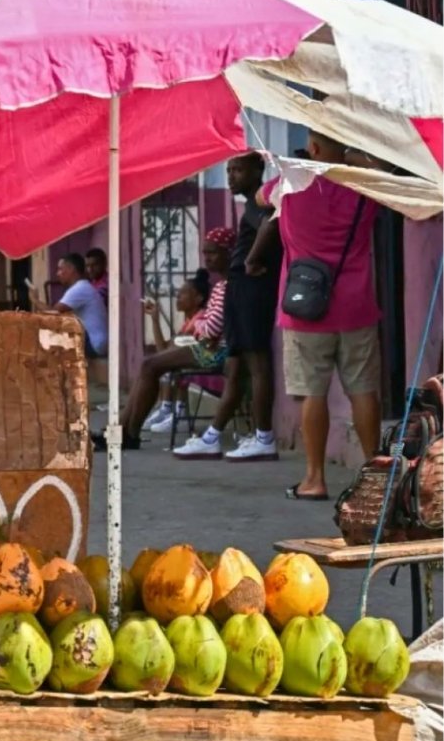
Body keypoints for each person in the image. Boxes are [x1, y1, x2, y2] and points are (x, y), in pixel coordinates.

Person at [246, 131, 382, 500]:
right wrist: (353, 158)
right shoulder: (362, 187)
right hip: (356, 306)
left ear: (316, 149)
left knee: (312, 394)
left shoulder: (292, 183)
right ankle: (374, 476)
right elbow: (385, 172)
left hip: (305, 310)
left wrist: (300, 167)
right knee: (363, 390)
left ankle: (314, 478)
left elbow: (259, 198)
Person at [174, 152, 283, 462]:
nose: (231, 176)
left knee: (257, 365)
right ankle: (212, 437)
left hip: (253, 290)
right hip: (239, 289)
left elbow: (271, 226)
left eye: (238, 169)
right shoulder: (250, 204)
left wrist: (251, 259)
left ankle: (264, 437)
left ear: (257, 170)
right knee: (234, 367)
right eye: (229, 170)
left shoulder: (261, 203)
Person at [93, 227, 235, 451]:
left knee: (151, 365)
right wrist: (202, 326)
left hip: (217, 351)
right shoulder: (220, 286)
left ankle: (127, 433)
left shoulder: (229, 285)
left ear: (229, 252)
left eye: (213, 252)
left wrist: (199, 325)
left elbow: (211, 328)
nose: (207, 258)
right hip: (208, 346)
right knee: (148, 365)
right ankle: (122, 430)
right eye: (205, 252)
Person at [140, 269, 213, 433]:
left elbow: (165, 353)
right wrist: (155, 318)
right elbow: (163, 351)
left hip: (207, 366)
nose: (177, 297)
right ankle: (167, 408)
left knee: (171, 364)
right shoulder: (189, 320)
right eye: (178, 293)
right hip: (194, 362)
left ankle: (177, 411)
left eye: (183, 294)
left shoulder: (200, 319)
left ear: (198, 298)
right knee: (165, 361)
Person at [29, 253, 108, 358]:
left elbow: (53, 313)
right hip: (95, 341)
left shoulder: (80, 289)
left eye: (61, 269)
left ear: (71, 269)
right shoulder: (81, 287)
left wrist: (35, 300)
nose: (58, 273)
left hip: (95, 344)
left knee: (48, 340)